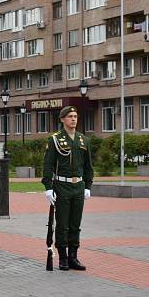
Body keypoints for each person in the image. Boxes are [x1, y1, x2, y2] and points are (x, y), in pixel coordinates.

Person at [42, 106, 94, 271]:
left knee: (75, 224)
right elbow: (48, 165)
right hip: (62, 186)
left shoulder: (83, 140)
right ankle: (63, 257)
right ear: (62, 119)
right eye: (70, 116)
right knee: (62, 224)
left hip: (78, 186)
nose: (73, 119)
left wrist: (88, 185)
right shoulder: (55, 140)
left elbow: (88, 166)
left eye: (75, 116)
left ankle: (73, 257)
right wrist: (48, 187)